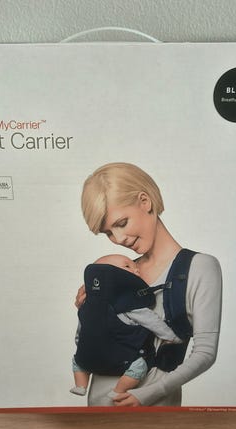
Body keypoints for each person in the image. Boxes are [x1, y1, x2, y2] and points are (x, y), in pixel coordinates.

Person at [75, 162, 222, 407]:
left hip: (154, 411)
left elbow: (205, 353)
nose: (119, 239)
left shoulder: (200, 267)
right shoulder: (115, 273)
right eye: (108, 233)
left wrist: (147, 395)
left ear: (145, 202)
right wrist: (87, 310)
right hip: (98, 407)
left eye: (121, 223)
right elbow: (92, 341)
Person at [70, 254, 182, 398]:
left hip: (89, 357)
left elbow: (81, 330)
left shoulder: (87, 306)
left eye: (135, 267)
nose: (137, 270)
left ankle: (80, 385)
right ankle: (119, 390)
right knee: (139, 366)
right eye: (128, 266)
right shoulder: (129, 303)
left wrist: (81, 344)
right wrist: (171, 336)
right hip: (123, 359)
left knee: (78, 362)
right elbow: (153, 322)